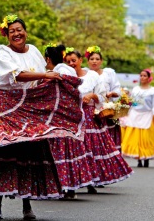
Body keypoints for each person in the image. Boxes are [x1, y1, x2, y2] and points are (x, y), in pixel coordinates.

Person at [0, 15, 85, 220]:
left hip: (28, 107)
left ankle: (27, 205)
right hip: (5, 107)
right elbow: (17, 74)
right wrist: (46, 75)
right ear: (7, 34)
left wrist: (56, 86)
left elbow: (40, 79)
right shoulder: (1, 51)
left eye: (19, 29)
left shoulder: (34, 51)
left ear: (26, 32)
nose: (16, 33)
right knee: (0, 148)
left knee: (27, 152)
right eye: (12, 30)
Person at [65, 48, 132, 193]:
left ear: (80, 60)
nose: (71, 64)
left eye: (74, 61)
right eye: (68, 61)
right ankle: (75, 183)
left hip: (89, 116)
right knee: (75, 150)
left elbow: (101, 97)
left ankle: (91, 181)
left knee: (90, 149)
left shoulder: (92, 76)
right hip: (72, 117)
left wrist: (92, 96)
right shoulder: (65, 76)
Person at [45, 43, 94, 199]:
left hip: (60, 118)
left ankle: (63, 187)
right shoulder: (67, 70)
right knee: (70, 151)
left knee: (60, 152)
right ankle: (70, 187)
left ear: (47, 59)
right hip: (71, 117)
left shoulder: (57, 72)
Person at [121, 69, 154, 167]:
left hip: (147, 116)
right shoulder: (135, 89)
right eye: (141, 75)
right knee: (135, 138)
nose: (142, 77)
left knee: (146, 138)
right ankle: (139, 160)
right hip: (135, 115)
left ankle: (146, 158)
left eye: (144, 76)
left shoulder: (153, 91)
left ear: (149, 78)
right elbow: (133, 103)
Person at [85, 46, 123, 151]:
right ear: (87, 61)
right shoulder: (85, 74)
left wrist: (111, 94)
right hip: (92, 113)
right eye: (92, 59)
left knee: (110, 139)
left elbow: (117, 90)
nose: (94, 61)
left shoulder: (108, 73)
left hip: (107, 111)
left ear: (101, 61)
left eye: (97, 59)